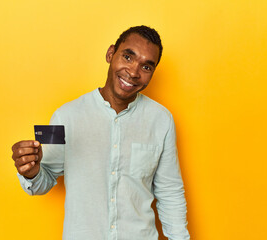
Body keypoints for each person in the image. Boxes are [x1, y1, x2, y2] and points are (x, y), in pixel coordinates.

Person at [11, 25, 190, 240]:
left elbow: (170, 193)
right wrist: (30, 170)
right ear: (110, 54)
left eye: (146, 67)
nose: (133, 72)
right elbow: (43, 180)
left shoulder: (161, 120)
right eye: (127, 57)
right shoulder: (66, 116)